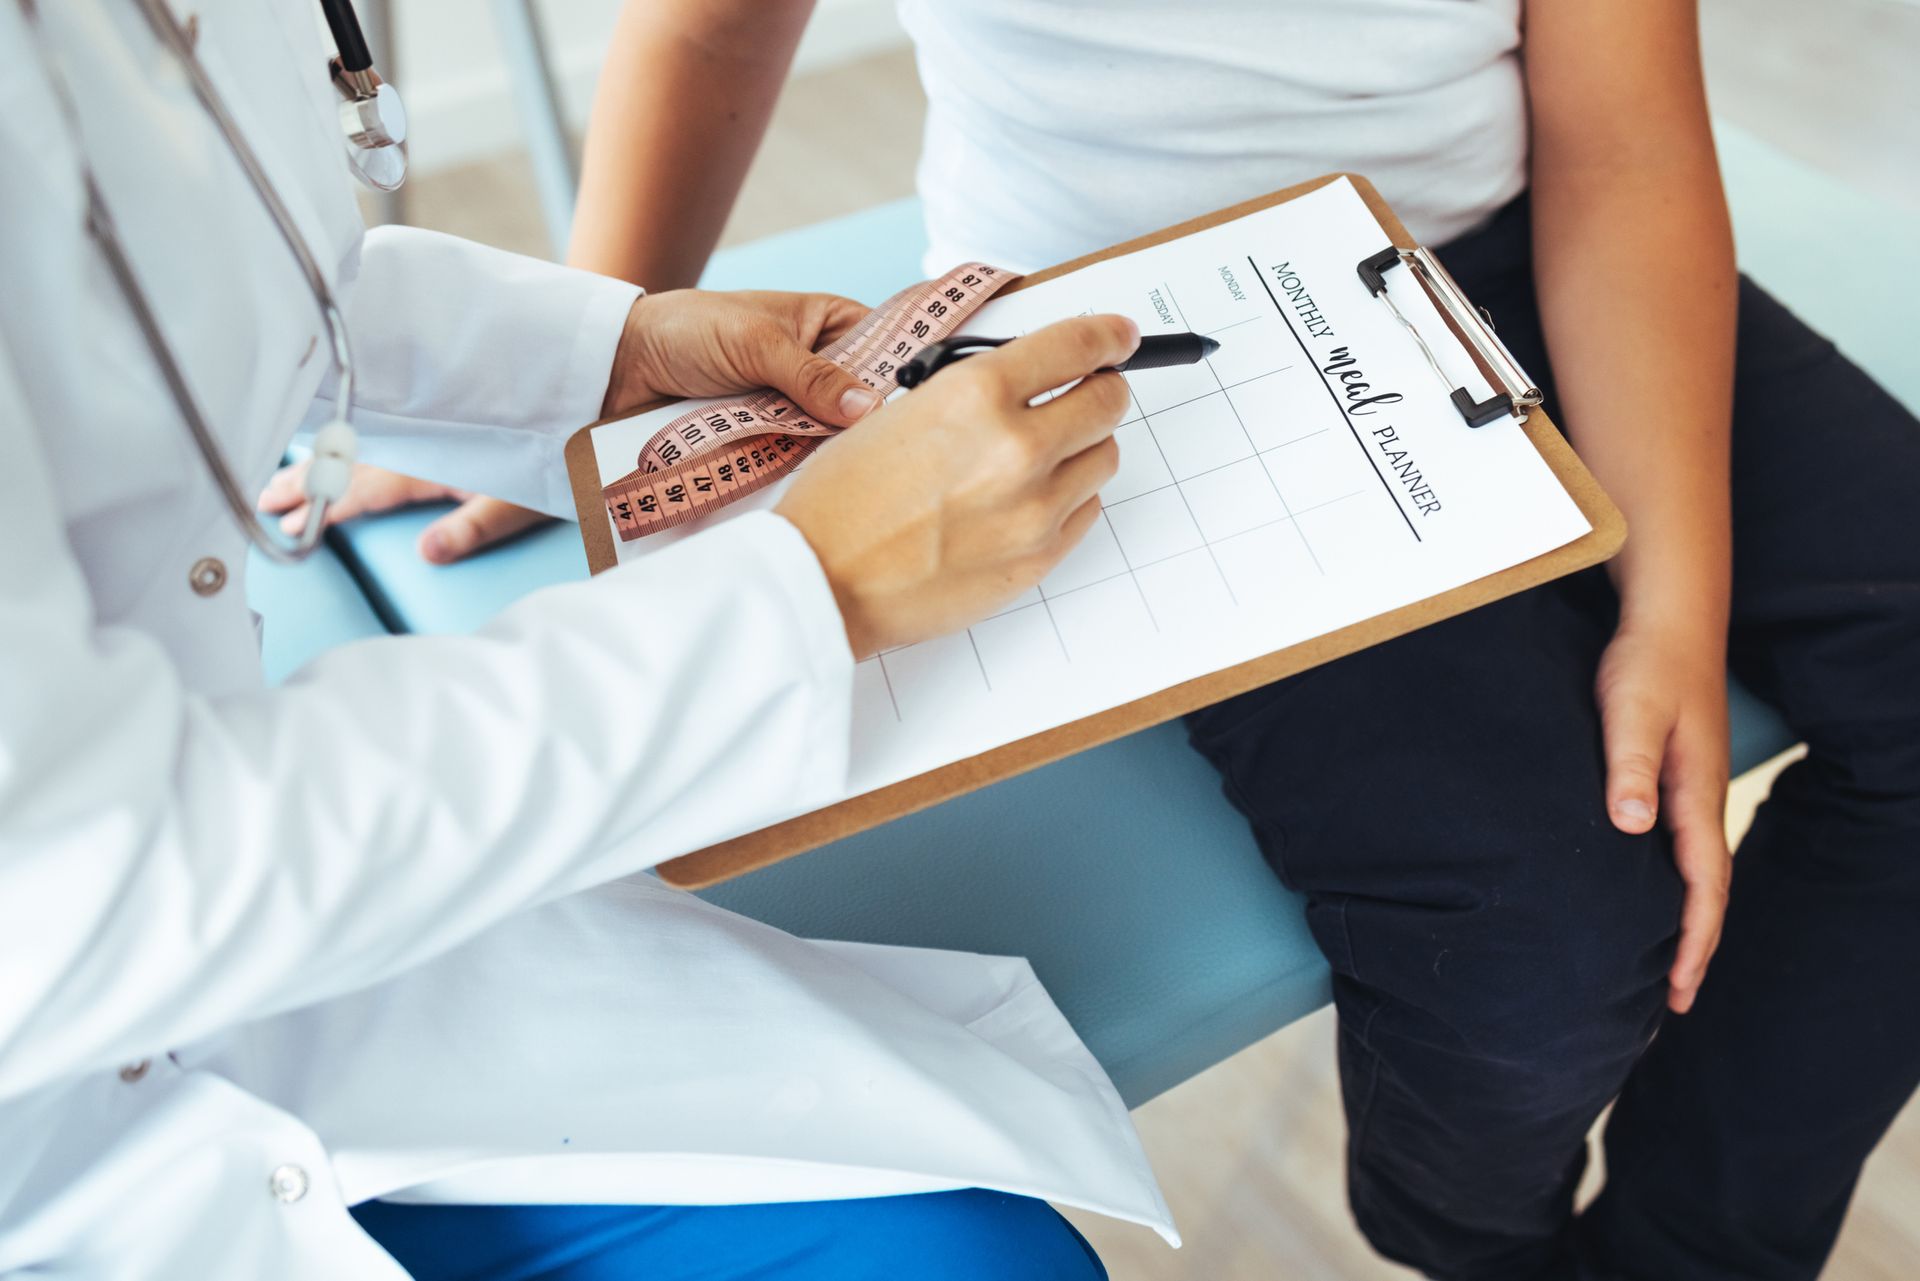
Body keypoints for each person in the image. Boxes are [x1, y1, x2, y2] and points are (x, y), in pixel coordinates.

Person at [536, 2, 1920, 1279]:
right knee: (1537, 950)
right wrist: (566, 369)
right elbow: (711, 34)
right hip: (1139, 325)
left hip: (1524, 234)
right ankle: (1487, 1256)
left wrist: (1673, 599)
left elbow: (1620, 153)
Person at [0, 2, 1175, 1277]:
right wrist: (805, 592)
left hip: (268, 997)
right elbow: (88, 879)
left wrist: (603, 360)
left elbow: (177, 268)